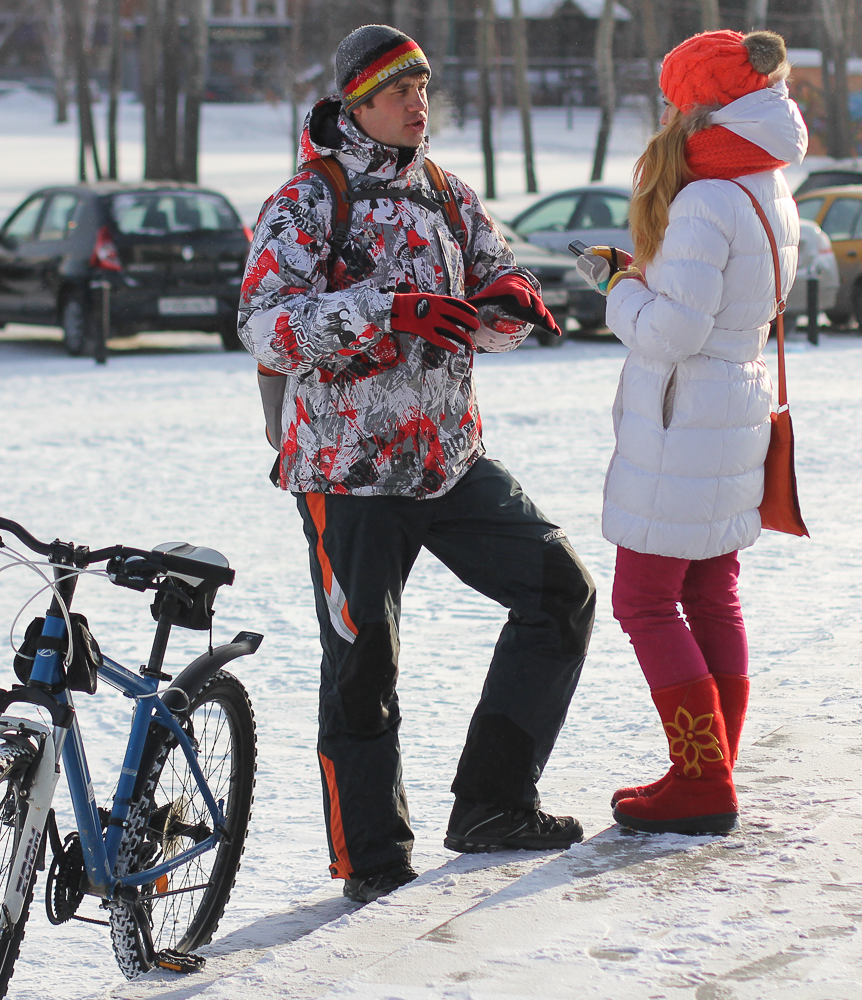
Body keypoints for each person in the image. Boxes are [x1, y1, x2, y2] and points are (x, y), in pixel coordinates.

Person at [239, 24, 597, 903]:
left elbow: (498, 293)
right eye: (398, 89)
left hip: (450, 459)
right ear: (355, 104)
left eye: (424, 85)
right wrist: (386, 309)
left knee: (562, 595)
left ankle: (491, 804)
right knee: (366, 666)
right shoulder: (309, 200)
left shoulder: (446, 191)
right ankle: (372, 858)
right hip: (350, 473)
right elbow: (263, 325)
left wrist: (508, 309)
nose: (417, 101)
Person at [575, 29, 807, 835]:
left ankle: (703, 778)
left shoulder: (707, 196)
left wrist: (617, 286)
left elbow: (670, 332)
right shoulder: (765, 181)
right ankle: (713, 770)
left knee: (645, 599)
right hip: (732, 405)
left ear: (700, 106)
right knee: (710, 591)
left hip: (684, 416)